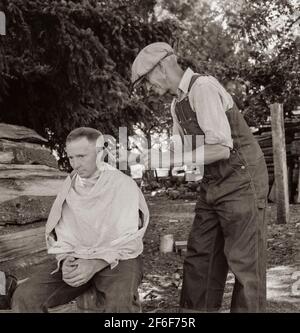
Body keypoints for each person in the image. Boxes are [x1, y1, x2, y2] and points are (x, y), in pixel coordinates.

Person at [131, 42, 268, 312]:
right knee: (200, 257)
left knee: (245, 263)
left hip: (242, 180)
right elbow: (184, 151)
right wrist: (147, 157)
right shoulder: (176, 105)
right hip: (213, 185)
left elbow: (220, 147)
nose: (147, 89)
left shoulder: (202, 87)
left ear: (160, 68)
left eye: (145, 81)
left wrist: (168, 159)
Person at [12, 127, 149, 313]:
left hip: (119, 258)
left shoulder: (122, 185)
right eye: (71, 158)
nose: (75, 164)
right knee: (25, 297)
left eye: (82, 156)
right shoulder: (69, 186)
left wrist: (96, 263)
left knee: (119, 302)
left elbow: (130, 240)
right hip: (77, 258)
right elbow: (61, 233)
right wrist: (65, 260)